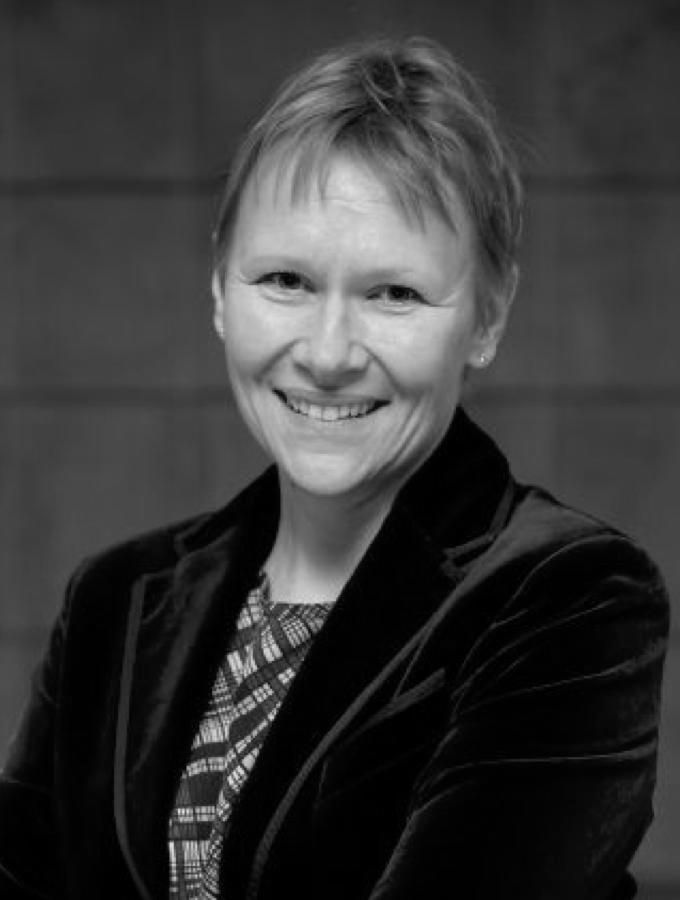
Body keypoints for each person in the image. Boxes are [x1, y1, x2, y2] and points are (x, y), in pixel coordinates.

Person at [0, 35, 669, 900]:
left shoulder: (570, 599)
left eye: (394, 293)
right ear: (219, 288)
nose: (327, 353)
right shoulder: (114, 601)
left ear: (488, 316)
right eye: (285, 280)